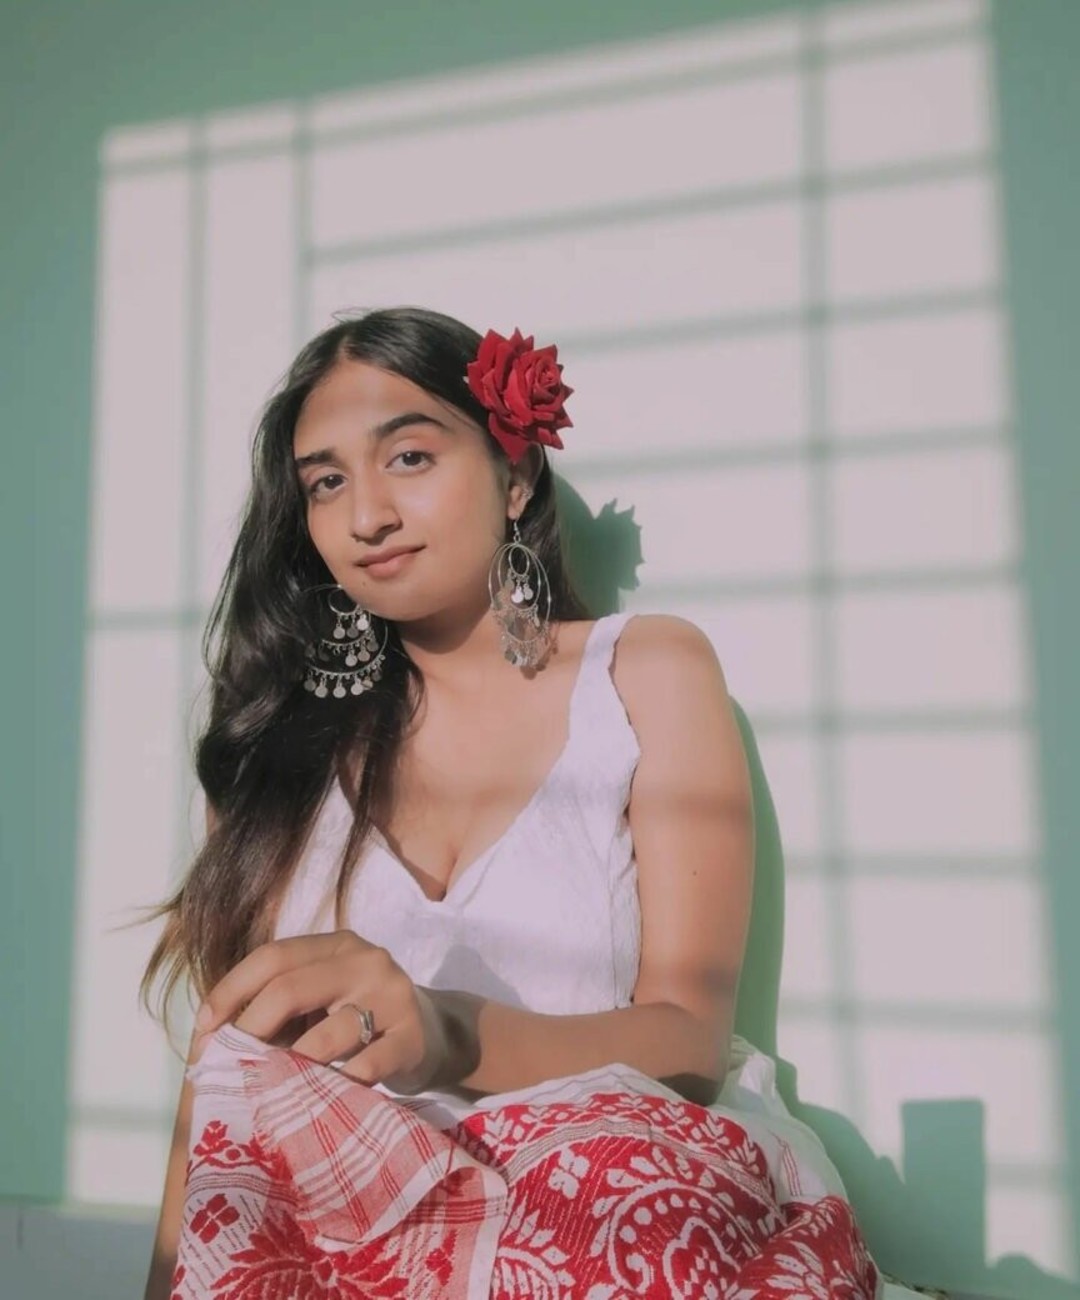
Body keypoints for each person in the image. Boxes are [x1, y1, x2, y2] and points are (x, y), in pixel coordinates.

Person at [141, 305, 879, 1298]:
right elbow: (229, 1088)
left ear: (515, 473)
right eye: (326, 482)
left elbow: (691, 1040)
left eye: (408, 456)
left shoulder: (643, 672)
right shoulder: (274, 753)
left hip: (607, 1220)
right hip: (351, 1245)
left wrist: (447, 1032)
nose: (366, 516)